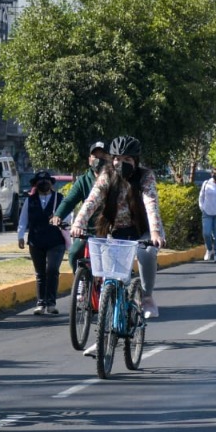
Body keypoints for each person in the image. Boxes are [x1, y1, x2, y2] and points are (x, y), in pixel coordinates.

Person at [69, 136, 166, 328]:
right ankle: (107, 331)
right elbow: (92, 200)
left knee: (146, 254)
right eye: (117, 159)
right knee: (111, 279)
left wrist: (155, 233)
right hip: (115, 231)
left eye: (127, 160)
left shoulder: (145, 176)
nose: (120, 164)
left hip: (143, 231)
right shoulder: (106, 175)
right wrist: (78, 222)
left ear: (136, 161)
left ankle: (146, 297)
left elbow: (151, 203)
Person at [52, 141, 108, 275]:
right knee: (74, 253)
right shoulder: (83, 181)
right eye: (95, 157)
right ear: (89, 160)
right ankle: (82, 284)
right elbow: (69, 201)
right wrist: (58, 215)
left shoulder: (114, 179)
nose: (98, 160)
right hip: (87, 230)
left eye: (102, 157)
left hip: (108, 230)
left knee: (111, 262)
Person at [18, 170, 67, 315]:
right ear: (35, 184)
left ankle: (51, 303)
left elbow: (68, 216)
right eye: (40, 182)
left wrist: (64, 223)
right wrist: (20, 236)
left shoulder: (60, 198)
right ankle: (41, 303)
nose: (44, 184)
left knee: (52, 270)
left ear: (51, 183)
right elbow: (23, 219)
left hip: (56, 241)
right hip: (36, 241)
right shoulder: (30, 200)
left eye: (46, 181)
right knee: (40, 273)